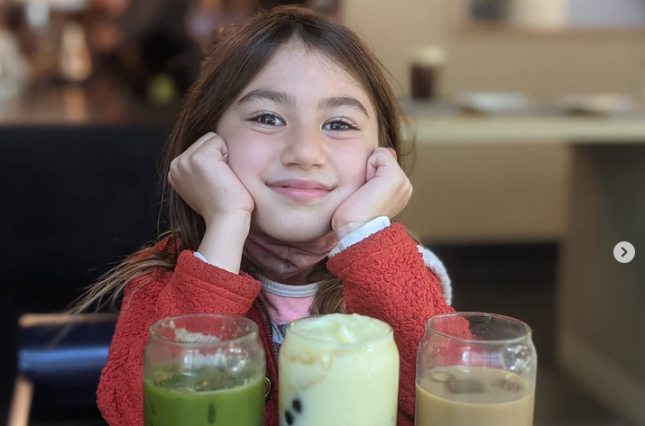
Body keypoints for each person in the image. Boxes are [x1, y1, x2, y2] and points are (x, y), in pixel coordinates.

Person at [84, 6, 454, 426]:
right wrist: (226, 224)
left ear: (380, 160)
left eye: (338, 124)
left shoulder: (398, 274)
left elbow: (450, 404)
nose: (304, 153)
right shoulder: (160, 284)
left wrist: (361, 233)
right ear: (208, 145)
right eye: (267, 118)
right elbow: (139, 414)